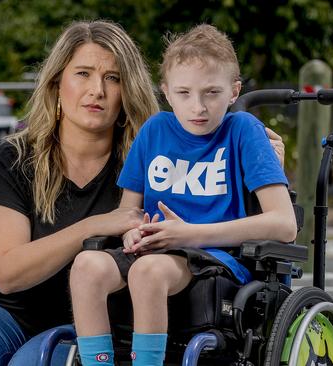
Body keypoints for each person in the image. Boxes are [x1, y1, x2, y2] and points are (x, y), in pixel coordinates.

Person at [0, 20, 285, 365]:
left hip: (108, 316)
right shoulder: (15, 158)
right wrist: (93, 225)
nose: (97, 90)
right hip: (14, 307)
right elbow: (8, 274)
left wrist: (265, 163)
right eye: (83, 74)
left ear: (129, 89)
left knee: (32, 361)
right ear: (58, 83)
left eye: (112, 77)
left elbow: (222, 188)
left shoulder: (154, 151)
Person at [69, 24, 297, 366]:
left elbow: (284, 225)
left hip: (215, 258)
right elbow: (128, 212)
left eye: (212, 93)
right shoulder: (154, 131)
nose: (198, 107)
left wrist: (191, 233)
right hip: (156, 247)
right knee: (86, 266)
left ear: (234, 91)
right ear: (166, 91)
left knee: (148, 272)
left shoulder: (243, 131)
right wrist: (132, 231)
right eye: (184, 93)